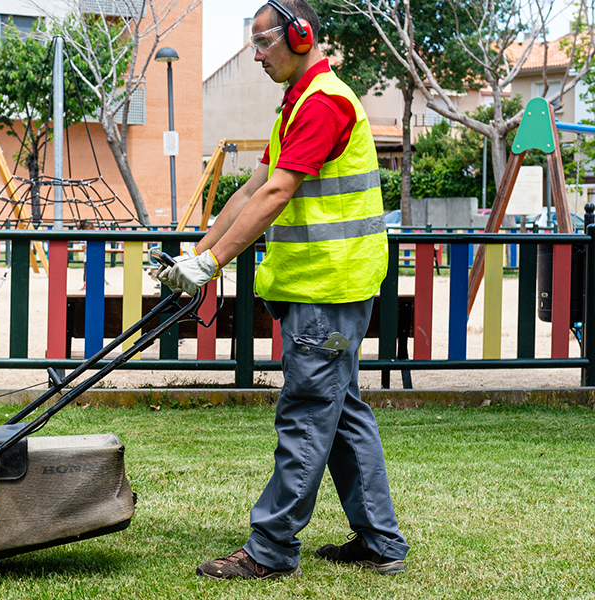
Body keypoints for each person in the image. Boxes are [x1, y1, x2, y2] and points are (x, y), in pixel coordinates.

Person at [159, 0, 410, 580]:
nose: (256, 54)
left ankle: (270, 550)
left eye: (264, 41)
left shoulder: (324, 104)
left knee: (304, 415)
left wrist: (215, 262)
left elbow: (278, 195)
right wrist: (197, 257)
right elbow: (251, 190)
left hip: (328, 287)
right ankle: (380, 541)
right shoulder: (297, 105)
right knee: (341, 414)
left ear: (300, 36)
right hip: (323, 286)